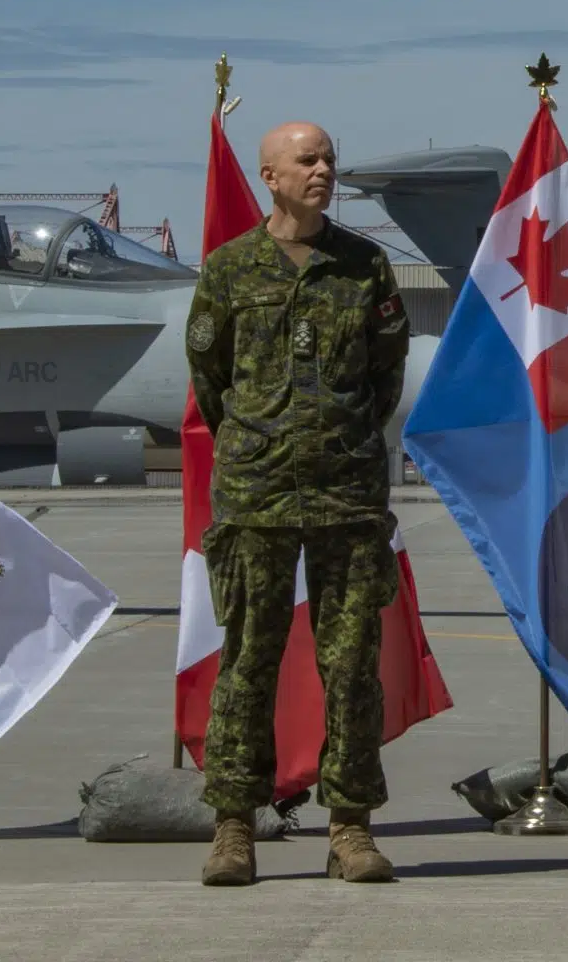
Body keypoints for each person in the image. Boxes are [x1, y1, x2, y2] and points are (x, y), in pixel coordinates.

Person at [184, 122, 412, 887]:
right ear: (270, 176)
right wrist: (263, 443)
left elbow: (385, 377)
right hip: (257, 495)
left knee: (350, 667)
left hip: (346, 493)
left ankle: (349, 826)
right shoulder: (228, 270)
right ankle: (234, 827)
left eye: (329, 161)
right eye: (307, 161)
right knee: (250, 661)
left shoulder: (364, 266)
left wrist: (337, 439)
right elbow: (212, 380)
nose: (323, 171)